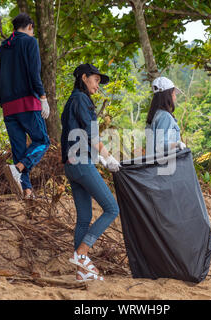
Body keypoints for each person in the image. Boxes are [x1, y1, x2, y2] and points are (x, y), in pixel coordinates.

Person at [61, 63, 121, 282]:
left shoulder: (74, 100)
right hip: (80, 162)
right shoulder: (80, 99)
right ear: (84, 78)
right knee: (112, 208)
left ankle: (81, 272)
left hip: (72, 163)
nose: (98, 85)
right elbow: (90, 133)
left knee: (84, 218)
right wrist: (107, 156)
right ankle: (82, 253)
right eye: (96, 80)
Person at [0, 13, 50, 199]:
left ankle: (27, 192)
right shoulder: (30, 42)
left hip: (8, 109)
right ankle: (19, 168)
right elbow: (34, 73)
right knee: (42, 141)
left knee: (19, 150)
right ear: (29, 26)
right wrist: (43, 97)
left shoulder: (4, 47)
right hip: (28, 104)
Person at [145, 76, 186, 154]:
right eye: (174, 94)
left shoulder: (155, 114)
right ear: (168, 95)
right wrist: (177, 145)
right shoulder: (165, 116)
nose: (175, 98)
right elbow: (160, 146)